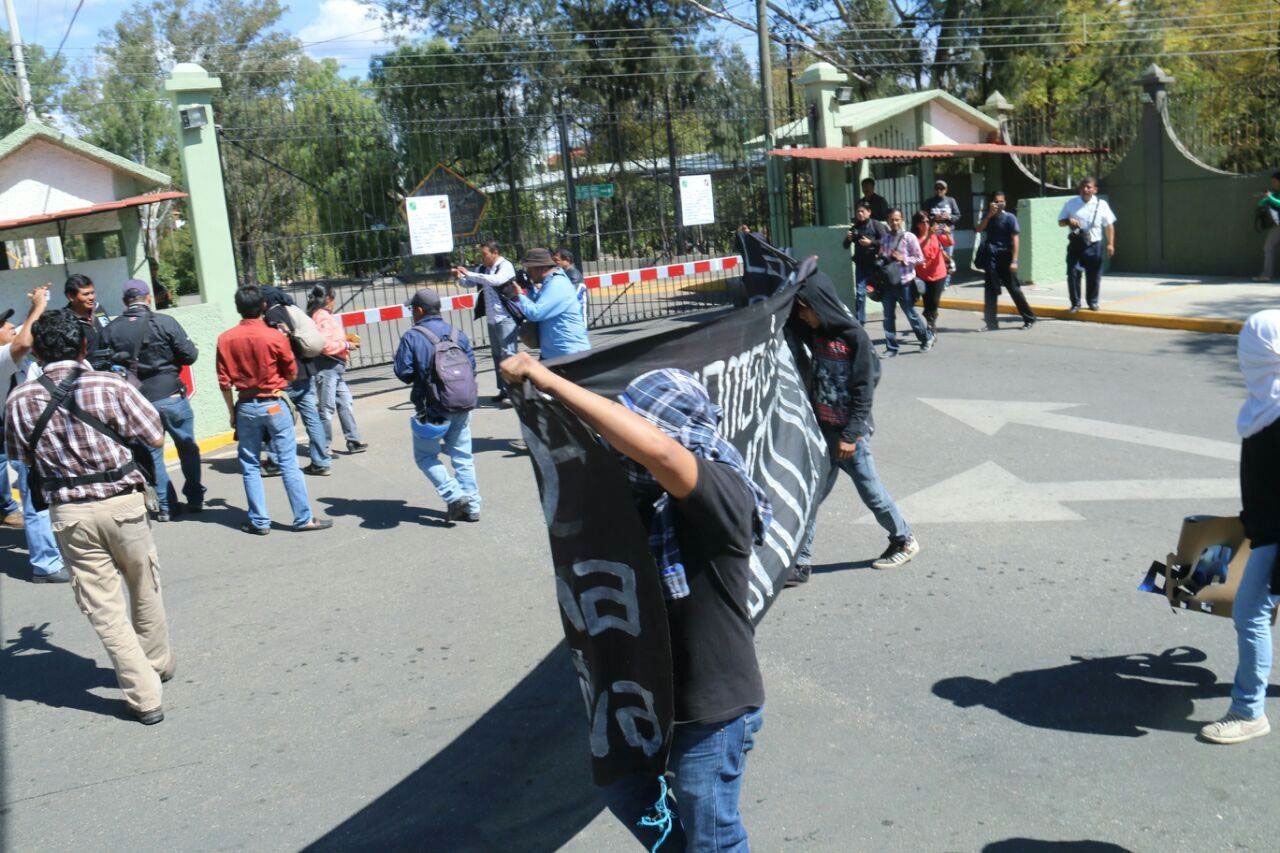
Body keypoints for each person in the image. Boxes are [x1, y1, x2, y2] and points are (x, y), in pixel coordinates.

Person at [499, 352, 770, 851]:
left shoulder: (726, 494)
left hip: (712, 706)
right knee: (626, 792)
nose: (616, 444)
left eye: (632, 426)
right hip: (648, 704)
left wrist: (549, 381)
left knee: (712, 834)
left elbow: (661, 455)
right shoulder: (636, 499)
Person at [6, 308, 174, 723]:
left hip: (70, 514)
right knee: (144, 586)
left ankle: (144, 696)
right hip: (124, 504)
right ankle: (156, 663)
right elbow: (153, 435)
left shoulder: (18, 400)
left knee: (104, 609)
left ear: (38, 353)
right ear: (83, 345)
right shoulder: (109, 384)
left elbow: (19, 457)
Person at [786, 271, 920, 585]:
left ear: (819, 306)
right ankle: (801, 562)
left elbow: (864, 391)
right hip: (825, 433)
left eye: (805, 308)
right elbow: (788, 319)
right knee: (812, 496)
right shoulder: (815, 332)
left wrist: (850, 434)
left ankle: (904, 539)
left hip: (850, 437)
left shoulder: (854, 338)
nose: (802, 315)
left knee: (872, 493)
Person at [1200, 310, 1280, 744]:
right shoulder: (1267, 404)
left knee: (1251, 613)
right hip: (1266, 527)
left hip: (1276, 537)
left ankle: (1249, 711)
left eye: (1248, 348)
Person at [216, 286, 332, 535]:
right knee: (289, 461)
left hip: (245, 405)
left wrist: (231, 412)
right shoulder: (274, 336)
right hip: (274, 404)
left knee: (249, 464)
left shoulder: (225, 339)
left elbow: (224, 383)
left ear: (238, 308)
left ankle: (259, 522)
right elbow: (291, 372)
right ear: (263, 307)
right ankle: (303, 518)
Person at [99, 280, 203, 522]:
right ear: (147, 298)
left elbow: (102, 366)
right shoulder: (165, 322)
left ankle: (167, 507)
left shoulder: (111, 330)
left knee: (154, 456)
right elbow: (190, 355)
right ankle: (195, 497)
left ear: (125, 302)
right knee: (187, 447)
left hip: (138, 402)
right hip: (171, 395)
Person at [393, 289, 480, 522]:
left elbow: (403, 372)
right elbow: (471, 366)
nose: (412, 313)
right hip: (462, 402)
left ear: (420, 310)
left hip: (432, 408)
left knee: (425, 456)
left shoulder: (413, 336)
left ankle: (454, 494)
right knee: (463, 457)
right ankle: (472, 507)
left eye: (412, 309)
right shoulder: (457, 333)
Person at [0, 286, 64, 582]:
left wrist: (33, 310)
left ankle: (51, 553)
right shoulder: (2, 359)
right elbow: (24, 342)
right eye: (4, 326)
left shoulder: (8, 355)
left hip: (33, 436)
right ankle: (46, 565)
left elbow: (23, 337)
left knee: (40, 496)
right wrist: (38, 306)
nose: (10, 327)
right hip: (25, 438)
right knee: (35, 500)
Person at [262, 287, 331, 476]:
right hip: (306, 369)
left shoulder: (273, 313)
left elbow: (280, 340)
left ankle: (275, 462)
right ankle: (321, 461)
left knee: (274, 416)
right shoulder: (293, 309)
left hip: (289, 375)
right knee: (311, 417)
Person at [455, 241, 518, 407]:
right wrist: (461, 275)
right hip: (492, 318)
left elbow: (496, 281)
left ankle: (515, 393)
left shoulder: (505, 266)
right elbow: (468, 282)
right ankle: (503, 390)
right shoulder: (483, 269)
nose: (482, 258)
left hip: (505, 318)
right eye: (481, 255)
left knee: (509, 354)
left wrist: (470, 273)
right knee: (497, 355)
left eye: (484, 255)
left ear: (495, 252)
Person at [306, 285, 368, 455]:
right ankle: (323, 448)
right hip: (328, 368)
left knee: (345, 403)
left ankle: (353, 440)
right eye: (333, 300)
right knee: (326, 409)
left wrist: (343, 339)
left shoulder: (320, 316)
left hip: (334, 369)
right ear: (328, 300)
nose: (334, 303)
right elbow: (324, 345)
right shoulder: (323, 317)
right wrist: (347, 344)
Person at [516, 247, 591, 360]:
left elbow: (536, 313)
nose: (528, 273)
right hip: (553, 353)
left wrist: (520, 294)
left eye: (529, 269)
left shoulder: (557, 284)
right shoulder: (549, 282)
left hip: (569, 354)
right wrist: (530, 288)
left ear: (541, 268)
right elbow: (538, 303)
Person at [976, 191, 1036, 331]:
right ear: (991, 203)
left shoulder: (1010, 218)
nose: (999, 204)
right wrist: (989, 215)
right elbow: (979, 229)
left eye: (1002, 201)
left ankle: (1029, 318)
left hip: (1005, 257)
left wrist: (1014, 261)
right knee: (990, 291)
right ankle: (991, 323)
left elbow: (1015, 239)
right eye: (996, 202)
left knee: (1014, 289)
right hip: (991, 258)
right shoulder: (988, 216)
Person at [1058, 176, 1117, 312]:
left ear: (1095, 190)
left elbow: (1109, 226)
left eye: (1089, 187)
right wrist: (1068, 221)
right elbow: (1060, 222)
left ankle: (1092, 302)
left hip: (1094, 245)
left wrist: (1110, 244)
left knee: (1094, 275)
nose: (1085, 189)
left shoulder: (1101, 205)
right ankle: (1075, 304)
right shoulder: (1071, 203)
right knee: (1072, 273)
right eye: (1083, 187)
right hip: (1076, 244)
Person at [877, 208, 929, 358]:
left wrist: (904, 259)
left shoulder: (909, 237)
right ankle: (891, 347)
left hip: (905, 282)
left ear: (902, 220)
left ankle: (925, 338)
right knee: (888, 316)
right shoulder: (885, 238)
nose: (894, 222)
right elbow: (883, 256)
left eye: (897, 219)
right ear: (887, 221)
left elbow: (920, 259)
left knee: (910, 314)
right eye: (891, 220)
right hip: (888, 283)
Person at [841, 201, 889, 325]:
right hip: (861, 265)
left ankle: (888, 315)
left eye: (862, 211)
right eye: (858, 211)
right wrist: (848, 239)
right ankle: (860, 322)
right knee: (860, 294)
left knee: (880, 292)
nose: (860, 214)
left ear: (869, 212)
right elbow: (845, 246)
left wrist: (871, 243)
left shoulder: (876, 225)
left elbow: (886, 241)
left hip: (876, 265)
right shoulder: (855, 227)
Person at [910, 210, 952, 342]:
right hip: (923, 276)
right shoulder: (914, 238)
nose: (926, 224)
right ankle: (931, 323)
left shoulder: (935, 233)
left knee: (934, 302)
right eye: (923, 222)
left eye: (928, 221)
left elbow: (949, 243)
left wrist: (947, 232)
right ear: (917, 224)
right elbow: (918, 249)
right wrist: (929, 236)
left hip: (939, 273)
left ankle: (931, 326)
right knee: (928, 303)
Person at [64, 273, 109, 367]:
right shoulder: (65, 320)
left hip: (109, 368)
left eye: (92, 293)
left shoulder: (98, 309)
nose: (91, 297)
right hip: (85, 373)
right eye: (86, 294)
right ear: (70, 297)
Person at [928, 180, 961, 286]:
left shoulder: (951, 201)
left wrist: (949, 217)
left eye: (941, 189)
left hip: (947, 233)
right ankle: (937, 279)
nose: (939, 191)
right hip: (934, 234)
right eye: (937, 188)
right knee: (935, 257)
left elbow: (958, 216)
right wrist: (934, 218)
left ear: (946, 190)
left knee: (948, 257)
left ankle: (945, 283)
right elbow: (923, 216)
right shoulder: (929, 202)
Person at [1254, 172, 1280, 282]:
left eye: (1275, 181)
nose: (1273, 183)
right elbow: (1260, 204)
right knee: (1268, 247)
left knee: (1268, 247)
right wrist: (1266, 197)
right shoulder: (1276, 193)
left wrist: (1269, 197)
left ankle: (1266, 274)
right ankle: (1266, 274)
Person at [553, 247, 589, 325]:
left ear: (567, 260)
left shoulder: (574, 275)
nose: (555, 263)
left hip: (577, 316)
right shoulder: (563, 273)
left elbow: (570, 296)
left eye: (557, 260)